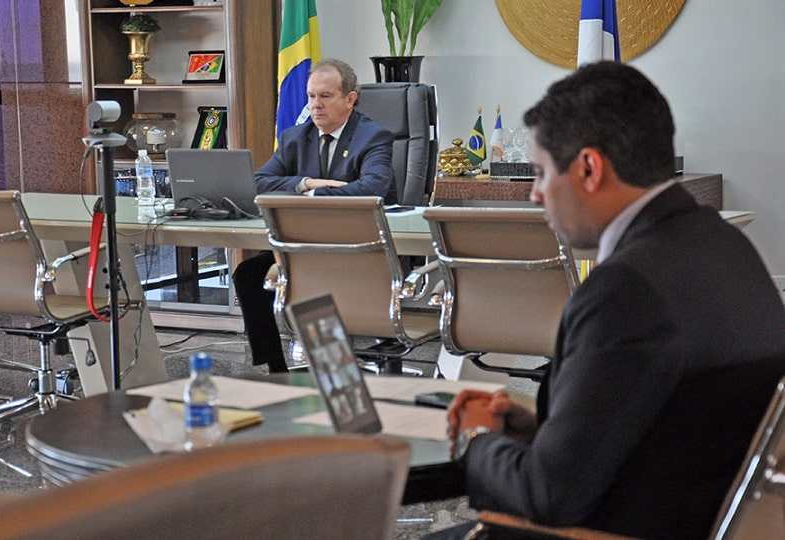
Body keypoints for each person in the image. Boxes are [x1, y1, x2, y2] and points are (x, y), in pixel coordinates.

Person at [427, 62, 785, 540]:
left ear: (589, 169)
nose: (535, 196)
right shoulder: (726, 244)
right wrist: (541, 431)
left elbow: (548, 496)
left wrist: (476, 439)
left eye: (540, 174)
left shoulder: (627, 290)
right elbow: (676, 423)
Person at [233, 58, 396, 373]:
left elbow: (372, 189)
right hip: (303, 244)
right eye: (311, 96)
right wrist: (306, 183)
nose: (315, 105)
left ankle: (335, 369)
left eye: (325, 96)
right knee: (248, 275)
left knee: (316, 280)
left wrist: (315, 197)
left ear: (350, 99)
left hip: (357, 246)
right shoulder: (296, 137)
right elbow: (257, 181)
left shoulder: (374, 136)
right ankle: (276, 369)